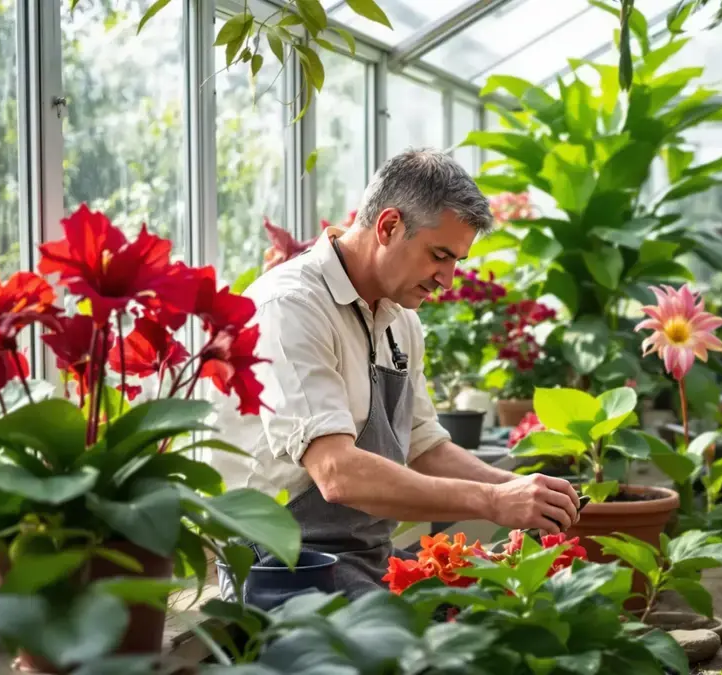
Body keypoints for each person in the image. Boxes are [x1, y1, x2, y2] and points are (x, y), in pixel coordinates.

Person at [211, 148, 581, 600]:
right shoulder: (290, 307)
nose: (446, 280)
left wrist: (521, 488)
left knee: (485, 617)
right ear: (388, 226)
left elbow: (424, 445)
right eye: (439, 255)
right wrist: (493, 502)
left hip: (361, 552)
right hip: (280, 560)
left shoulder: (401, 318)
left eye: (455, 262)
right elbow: (336, 473)